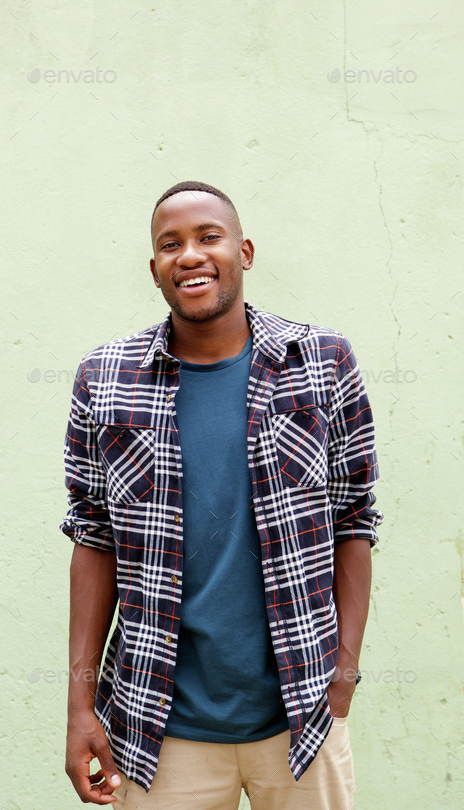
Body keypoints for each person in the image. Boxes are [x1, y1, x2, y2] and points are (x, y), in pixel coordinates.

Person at [61, 181, 383, 809]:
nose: (190, 255)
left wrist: (342, 677)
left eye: (209, 237)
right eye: (170, 244)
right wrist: (80, 705)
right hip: (159, 728)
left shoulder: (321, 361)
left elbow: (354, 520)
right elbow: (93, 536)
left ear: (245, 251)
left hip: (301, 720)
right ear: (154, 269)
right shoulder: (105, 378)